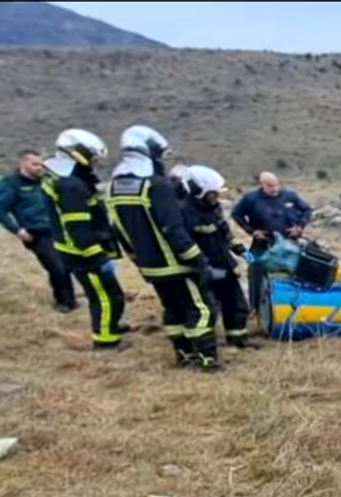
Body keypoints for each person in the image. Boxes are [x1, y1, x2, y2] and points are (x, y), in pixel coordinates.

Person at [106, 125, 220, 371]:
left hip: (151, 266)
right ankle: (207, 360)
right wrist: (198, 260)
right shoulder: (157, 186)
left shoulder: (115, 187)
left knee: (173, 310)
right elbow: (174, 229)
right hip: (177, 263)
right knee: (201, 310)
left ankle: (183, 356)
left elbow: (120, 232)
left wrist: (139, 261)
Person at [43, 129, 130, 350]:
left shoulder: (63, 177)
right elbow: (78, 226)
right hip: (82, 253)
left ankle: (109, 326)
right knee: (106, 297)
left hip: (74, 249)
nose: (93, 162)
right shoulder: (71, 185)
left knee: (108, 294)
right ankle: (106, 341)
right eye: (92, 156)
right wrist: (98, 257)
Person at [181, 164, 257, 350]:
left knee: (237, 304)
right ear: (197, 191)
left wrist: (241, 251)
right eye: (212, 193)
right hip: (203, 269)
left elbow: (225, 234)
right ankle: (203, 346)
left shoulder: (213, 209)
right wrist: (203, 266)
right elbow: (183, 243)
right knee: (207, 309)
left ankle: (238, 339)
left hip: (223, 265)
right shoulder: (184, 213)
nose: (216, 197)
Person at [0, 149, 77, 312]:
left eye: (41, 164)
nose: (39, 168)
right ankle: (63, 303)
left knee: (67, 265)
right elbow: (1, 209)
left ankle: (71, 301)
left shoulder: (46, 182)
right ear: (23, 164)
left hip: (57, 230)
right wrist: (17, 229)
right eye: (35, 164)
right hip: (35, 233)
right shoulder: (12, 185)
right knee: (56, 267)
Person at [230, 171, 313, 318]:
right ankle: (255, 308)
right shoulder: (251, 199)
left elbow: (307, 210)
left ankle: (296, 304)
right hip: (263, 241)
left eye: (276, 185)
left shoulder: (290, 196)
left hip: (289, 241)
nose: (274, 189)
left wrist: (299, 227)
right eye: (270, 186)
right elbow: (236, 214)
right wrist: (251, 230)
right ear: (262, 185)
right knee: (254, 267)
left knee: (296, 268)